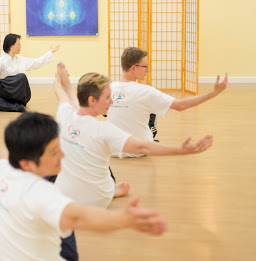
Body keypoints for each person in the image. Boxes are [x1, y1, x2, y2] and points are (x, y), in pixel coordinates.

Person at [0, 112, 168, 261]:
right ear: (27, 163)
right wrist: (124, 219)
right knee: (64, 223)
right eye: (54, 152)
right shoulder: (43, 194)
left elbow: (6, 148)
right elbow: (81, 217)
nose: (63, 156)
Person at [53, 63, 214, 209]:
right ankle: (112, 190)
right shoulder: (104, 130)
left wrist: (58, 76)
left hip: (65, 196)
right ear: (92, 100)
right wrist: (181, 150)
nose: (112, 102)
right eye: (108, 97)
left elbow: (62, 91)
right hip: (97, 200)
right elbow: (143, 146)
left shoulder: (64, 115)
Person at [107, 47, 228, 157]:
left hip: (113, 149)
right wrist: (213, 93)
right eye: (145, 66)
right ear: (133, 68)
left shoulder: (108, 88)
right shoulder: (146, 91)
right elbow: (180, 105)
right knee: (152, 109)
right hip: (139, 150)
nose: (148, 70)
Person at [0, 33, 60, 112]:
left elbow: (37, 62)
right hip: (6, 95)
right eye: (18, 44)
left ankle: (10, 105)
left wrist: (49, 53)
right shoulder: (0, 61)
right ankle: (15, 107)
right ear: (11, 46)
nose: (20, 47)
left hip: (20, 96)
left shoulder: (21, 60)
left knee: (21, 77)